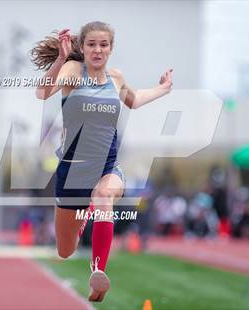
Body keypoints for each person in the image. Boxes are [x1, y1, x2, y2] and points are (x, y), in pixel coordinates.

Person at [31, 21, 173, 302]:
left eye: (103, 45)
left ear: (111, 48)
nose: (98, 50)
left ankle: (98, 273)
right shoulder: (72, 71)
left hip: (106, 167)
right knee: (65, 250)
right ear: (82, 47)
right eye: (92, 44)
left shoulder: (116, 78)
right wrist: (60, 59)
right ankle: (84, 221)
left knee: (105, 194)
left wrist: (164, 89)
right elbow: (42, 93)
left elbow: (133, 99)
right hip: (71, 175)